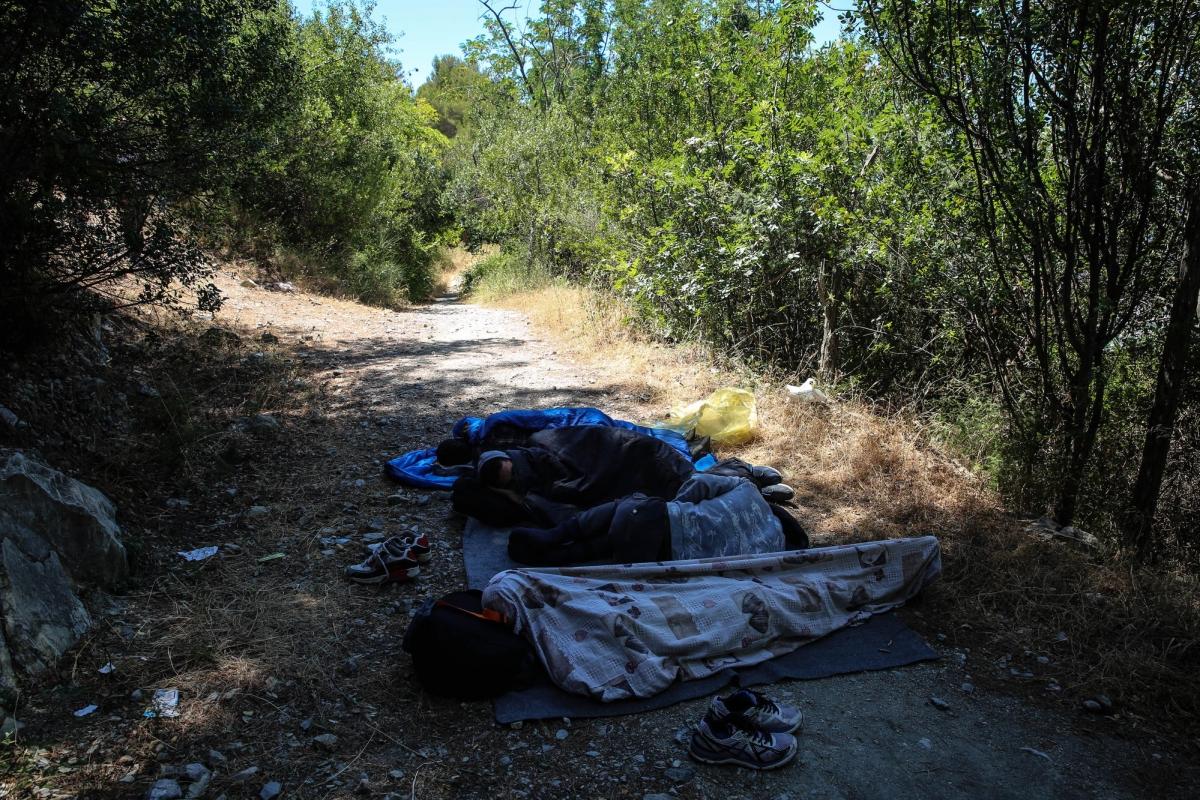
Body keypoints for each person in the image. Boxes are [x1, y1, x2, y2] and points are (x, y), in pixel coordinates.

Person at [507, 472, 808, 566]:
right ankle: (559, 556)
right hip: (656, 558)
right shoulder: (772, 552)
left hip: (650, 520)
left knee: (631, 507)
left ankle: (554, 536)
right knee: (607, 547)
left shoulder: (750, 491)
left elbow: (699, 483)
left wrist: (674, 510)